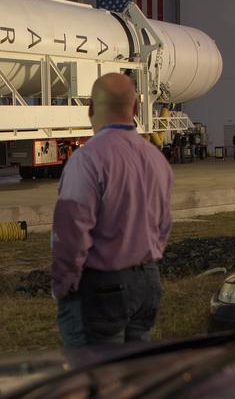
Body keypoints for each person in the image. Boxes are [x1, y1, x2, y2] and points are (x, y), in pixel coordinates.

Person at [51, 73, 173, 346]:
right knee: (134, 377)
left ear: (91, 109)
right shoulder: (156, 159)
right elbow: (163, 225)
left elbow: (72, 230)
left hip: (102, 287)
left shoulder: (88, 159)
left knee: (98, 378)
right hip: (148, 282)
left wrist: (63, 284)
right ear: (136, 109)